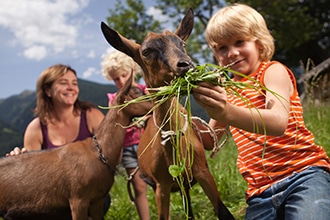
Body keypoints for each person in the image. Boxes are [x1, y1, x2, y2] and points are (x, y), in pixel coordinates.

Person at [192, 3, 330, 220]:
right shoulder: (227, 90)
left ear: (259, 43)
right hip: (260, 192)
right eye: (222, 48)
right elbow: (211, 141)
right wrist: (184, 126)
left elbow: (277, 122)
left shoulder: (272, 71)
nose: (232, 53)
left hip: (303, 176)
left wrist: (226, 112)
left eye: (240, 42)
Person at [6, 64, 111, 217]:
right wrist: (19, 161)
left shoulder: (91, 116)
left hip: (88, 193)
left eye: (74, 83)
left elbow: (111, 156)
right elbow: (33, 178)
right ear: (47, 90)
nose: (71, 87)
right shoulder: (36, 128)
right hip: (51, 199)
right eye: (63, 83)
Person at [101, 50, 150, 220]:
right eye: (116, 78)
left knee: (159, 183)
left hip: (148, 144)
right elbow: (113, 122)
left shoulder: (146, 91)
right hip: (128, 146)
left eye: (124, 75)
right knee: (139, 187)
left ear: (133, 71)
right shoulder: (114, 98)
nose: (121, 81)